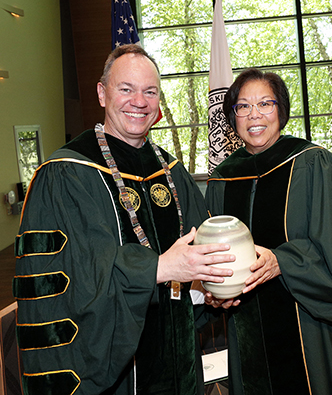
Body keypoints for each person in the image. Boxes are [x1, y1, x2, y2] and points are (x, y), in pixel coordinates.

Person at [13, 44, 235, 395]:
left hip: (179, 363)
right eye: (126, 89)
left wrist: (215, 288)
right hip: (112, 372)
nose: (140, 101)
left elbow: (201, 250)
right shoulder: (66, 174)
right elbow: (74, 272)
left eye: (150, 92)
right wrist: (157, 269)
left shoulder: (172, 172)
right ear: (102, 93)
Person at [205, 68, 332, 395]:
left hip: (314, 323)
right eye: (243, 106)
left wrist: (283, 261)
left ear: (281, 110)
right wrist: (213, 288)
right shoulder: (222, 180)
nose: (255, 115)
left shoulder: (313, 164)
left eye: (265, 103)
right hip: (250, 326)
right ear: (232, 117)